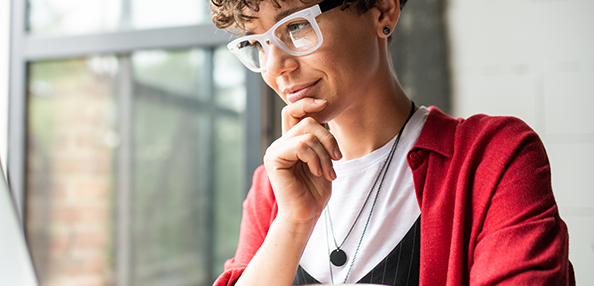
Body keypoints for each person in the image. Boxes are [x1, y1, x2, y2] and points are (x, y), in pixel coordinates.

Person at [208, 0, 575, 285]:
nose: (275, 66)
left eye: (297, 26)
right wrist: (293, 221)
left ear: (383, 8)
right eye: (257, 43)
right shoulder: (272, 187)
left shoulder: (492, 158)